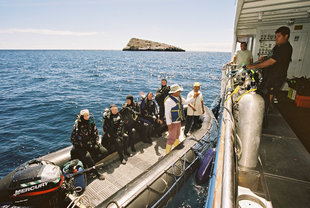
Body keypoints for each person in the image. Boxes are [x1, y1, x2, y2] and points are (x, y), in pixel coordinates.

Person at [247, 26, 293, 106]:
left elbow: (271, 62)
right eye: (276, 36)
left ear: (286, 36)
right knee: (263, 92)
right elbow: (272, 57)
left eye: (279, 36)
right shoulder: (278, 46)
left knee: (268, 96)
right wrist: (265, 58)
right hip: (269, 75)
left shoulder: (285, 48)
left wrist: (254, 66)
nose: (276, 38)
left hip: (276, 77)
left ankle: (265, 113)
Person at [70, 109, 107, 180]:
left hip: (91, 143)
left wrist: (95, 142)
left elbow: (96, 133)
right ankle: (96, 172)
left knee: (104, 151)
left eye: (88, 115)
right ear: (81, 116)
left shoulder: (91, 122)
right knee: (87, 157)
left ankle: (91, 164)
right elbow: (73, 139)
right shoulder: (78, 125)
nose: (87, 117)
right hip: (81, 146)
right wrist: (83, 145)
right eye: (85, 116)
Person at [164, 84, 199, 154]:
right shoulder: (168, 101)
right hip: (173, 122)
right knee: (171, 138)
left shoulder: (179, 97)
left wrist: (193, 97)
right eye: (178, 91)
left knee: (177, 135)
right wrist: (169, 124)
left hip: (178, 121)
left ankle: (176, 146)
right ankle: (167, 153)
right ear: (174, 92)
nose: (180, 92)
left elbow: (186, 102)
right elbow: (167, 114)